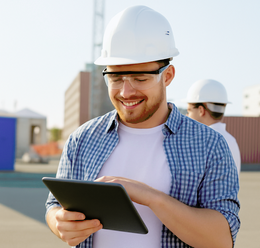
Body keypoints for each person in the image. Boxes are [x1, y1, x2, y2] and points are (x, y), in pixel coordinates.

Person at [45, 5, 240, 248]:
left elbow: (221, 240)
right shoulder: (82, 139)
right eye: (116, 78)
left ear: (167, 76)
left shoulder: (209, 145)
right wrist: (58, 222)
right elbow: (54, 206)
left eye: (140, 78)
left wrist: (150, 197)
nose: (126, 92)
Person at [185, 79, 241, 174]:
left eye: (189, 111)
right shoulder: (231, 140)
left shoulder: (201, 142)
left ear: (201, 110)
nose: (186, 115)